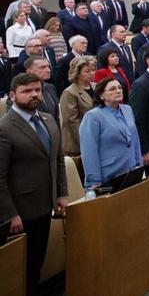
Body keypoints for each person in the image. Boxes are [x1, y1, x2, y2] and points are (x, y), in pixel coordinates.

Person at [0, 73, 69, 294]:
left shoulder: (47, 119)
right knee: (22, 269)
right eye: (27, 91)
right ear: (12, 95)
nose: (34, 95)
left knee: (37, 262)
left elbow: (58, 159)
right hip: (20, 212)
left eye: (37, 90)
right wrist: (10, 214)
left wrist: (61, 193)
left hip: (45, 205)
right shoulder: (5, 127)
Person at [78, 77, 141, 191]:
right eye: (112, 89)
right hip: (110, 174)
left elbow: (135, 139)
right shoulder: (93, 116)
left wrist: (139, 164)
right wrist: (94, 180)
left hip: (131, 170)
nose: (118, 91)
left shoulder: (127, 109)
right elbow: (89, 150)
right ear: (101, 95)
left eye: (119, 88)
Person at [58, 55, 96, 157]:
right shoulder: (69, 92)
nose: (92, 73)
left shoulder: (96, 86)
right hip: (78, 144)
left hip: (96, 135)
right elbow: (71, 121)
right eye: (87, 71)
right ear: (77, 73)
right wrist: (86, 142)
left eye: (93, 70)